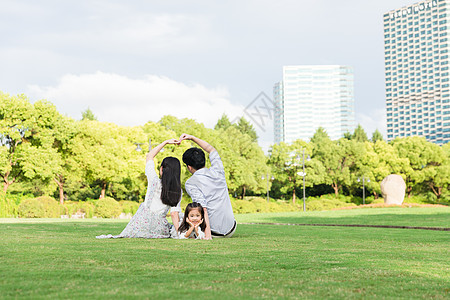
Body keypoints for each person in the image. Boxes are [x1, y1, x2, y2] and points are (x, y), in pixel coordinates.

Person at [96, 139, 182, 239]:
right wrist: (179, 233)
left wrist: (165, 142)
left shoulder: (154, 181)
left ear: (162, 169)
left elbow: (149, 156)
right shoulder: (178, 191)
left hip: (140, 224)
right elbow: (174, 213)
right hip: (159, 227)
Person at [179, 133, 236, 239]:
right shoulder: (218, 171)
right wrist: (192, 137)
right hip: (231, 228)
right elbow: (211, 149)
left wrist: (207, 234)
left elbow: (202, 207)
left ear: (189, 167)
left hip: (213, 232)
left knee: (181, 217)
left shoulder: (191, 183)